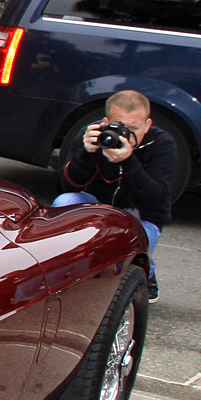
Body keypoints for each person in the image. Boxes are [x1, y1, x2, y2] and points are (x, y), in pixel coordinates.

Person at [52, 89, 176, 300]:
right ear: (106, 121)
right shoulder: (92, 135)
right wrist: (87, 154)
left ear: (148, 125)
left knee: (121, 269)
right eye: (119, 126)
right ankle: (65, 270)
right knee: (64, 202)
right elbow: (69, 185)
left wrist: (128, 161)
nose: (126, 134)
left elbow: (156, 199)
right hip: (98, 203)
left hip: (141, 212)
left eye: (134, 128)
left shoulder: (162, 144)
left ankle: (147, 268)